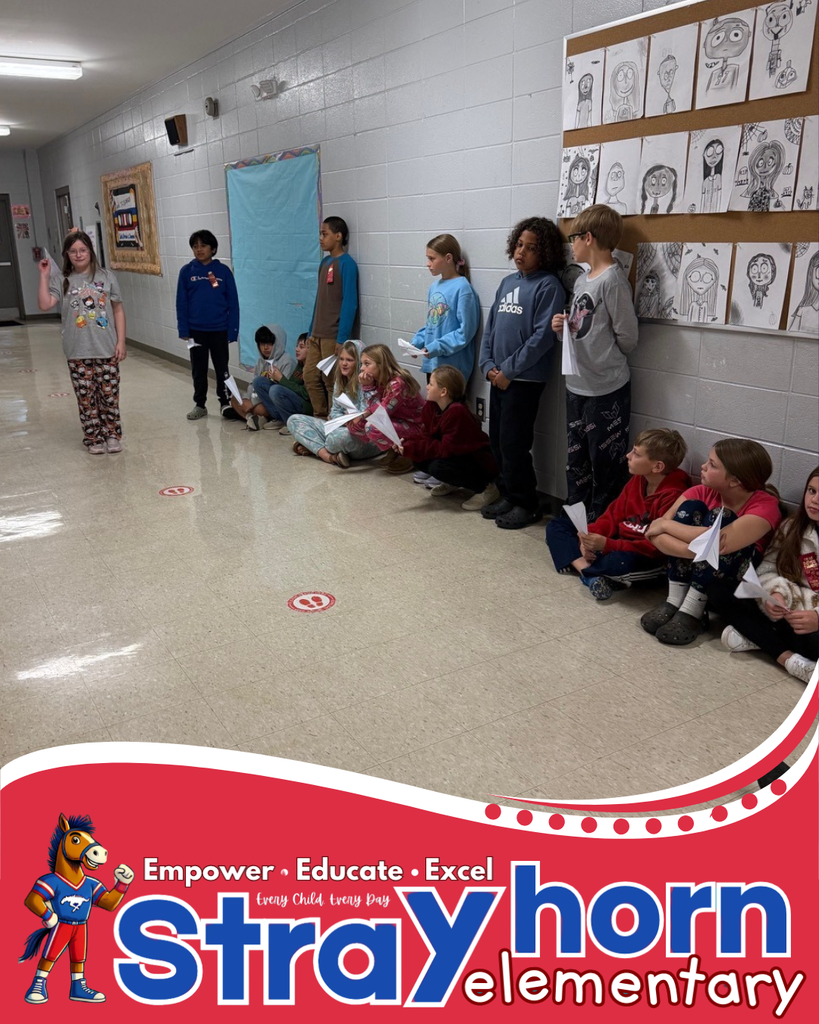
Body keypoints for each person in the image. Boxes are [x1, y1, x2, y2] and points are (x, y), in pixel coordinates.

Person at [641, 438, 783, 646]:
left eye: (712, 465)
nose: (703, 467)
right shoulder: (699, 492)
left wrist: (666, 527)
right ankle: (675, 600)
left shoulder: (766, 505)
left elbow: (720, 544)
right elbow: (655, 534)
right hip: (694, 564)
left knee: (722, 517)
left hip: (734, 581)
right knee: (690, 508)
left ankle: (693, 610)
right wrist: (697, 550)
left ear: (735, 480)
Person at [552, 204, 638, 523]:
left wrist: (601, 353)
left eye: (573, 238)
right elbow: (578, 331)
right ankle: (577, 524)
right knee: (577, 461)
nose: (570, 245)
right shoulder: (583, 279)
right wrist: (563, 329)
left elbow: (628, 338)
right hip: (577, 384)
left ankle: (601, 529)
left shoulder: (613, 281)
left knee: (605, 465)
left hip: (606, 388)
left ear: (588, 238)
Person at [478, 217, 566, 529]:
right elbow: (491, 329)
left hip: (524, 379)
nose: (521, 252)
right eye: (519, 245)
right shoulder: (507, 283)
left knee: (515, 442)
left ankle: (527, 503)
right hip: (498, 376)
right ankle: (508, 494)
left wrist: (509, 371)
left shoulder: (549, 286)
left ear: (545, 253)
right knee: (498, 440)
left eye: (531, 248)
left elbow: (542, 338)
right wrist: (488, 365)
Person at [546, 428, 690, 600]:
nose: (628, 456)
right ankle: (589, 572)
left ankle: (588, 569)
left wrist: (607, 545)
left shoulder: (674, 496)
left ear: (657, 466)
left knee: (617, 561)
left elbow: (654, 548)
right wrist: (587, 538)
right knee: (557, 525)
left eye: (636, 454)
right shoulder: (639, 479)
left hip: (641, 556)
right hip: (617, 542)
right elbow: (612, 515)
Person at [709, 466, 817, 685]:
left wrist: (817, 618)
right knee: (719, 591)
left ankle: (761, 638)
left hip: (812, 620)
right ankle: (788, 658)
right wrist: (775, 594)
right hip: (788, 609)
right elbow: (767, 568)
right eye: (812, 491)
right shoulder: (792, 526)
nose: (814, 500)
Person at [37, 230, 127, 454]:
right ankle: (93, 438)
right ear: (67, 254)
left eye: (83, 250)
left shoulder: (106, 277)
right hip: (77, 350)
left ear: (90, 251)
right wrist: (44, 276)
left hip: (106, 347)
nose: (78, 255)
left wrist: (121, 342)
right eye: (73, 251)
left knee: (109, 395)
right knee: (86, 398)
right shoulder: (62, 280)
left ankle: (112, 435)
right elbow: (45, 304)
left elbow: (118, 310)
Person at [409, 233, 480, 490]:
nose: (427, 264)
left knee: (450, 421)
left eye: (431, 258)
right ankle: (437, 466)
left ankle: (448, 471)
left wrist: (435, 346)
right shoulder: (434, 287)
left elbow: (465, 331)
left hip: (452, 367)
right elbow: (432, 325)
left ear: (448, 258)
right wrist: (417, 341)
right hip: (433, 363)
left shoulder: (463, 289)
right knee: (433, 418)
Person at [401, 366, 499, 510]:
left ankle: (487, 488)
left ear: (444, 391)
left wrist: (414, 447)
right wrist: (407, 443)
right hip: (456, 456)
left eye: (431, 384)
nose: (427, 387)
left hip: (479, 462)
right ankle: (452, 482)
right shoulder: (431, 407)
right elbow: (426, 436)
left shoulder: (457, 412)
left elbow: (446, 449)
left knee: (438, 466)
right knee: (418, 459)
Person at [176, 229, 239, 421]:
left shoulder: (223, 272)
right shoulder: (187, 272)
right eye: (195, 246)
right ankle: (200, 404)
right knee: (199, 369)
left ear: (213, 248)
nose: (199, 249)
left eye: (203, 245)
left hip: (219, 329)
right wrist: (183, 329)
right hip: (196, 332)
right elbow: (181, 303)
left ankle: (225, 402)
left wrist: (233, 330)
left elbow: (233, 302)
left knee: (222, 369)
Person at [289, 341, 380, 467]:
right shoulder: (340, 380)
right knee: (294, 420)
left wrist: (352, 417)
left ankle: (313, 446)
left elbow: (367, 417)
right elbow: (334, 412)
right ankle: (329, 457)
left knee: (335, 439)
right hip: (342, 427)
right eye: (341, 359)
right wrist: (343, 419)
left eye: (349, 360)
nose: (343, 363)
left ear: (359, 362)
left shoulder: (367, 383)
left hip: (364, 436)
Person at [303, 217, 358, 419]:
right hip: (317, 334)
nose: (320, 238)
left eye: (324, 234)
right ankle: (319, 416)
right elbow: (319, 299)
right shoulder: (324, 262)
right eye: (320, 233)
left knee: (330, 381)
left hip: (332, 335)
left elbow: (350, 302)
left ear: (338, 236)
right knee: (310, 376)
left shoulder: (348, 264)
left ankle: (333, 421)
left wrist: (341, 338)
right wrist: (310, 331)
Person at [347, 344, 425, 474]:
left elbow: (380, 414)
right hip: (396, 420)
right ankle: (393, 449)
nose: (361, 368)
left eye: (367, 364)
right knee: (354, 424)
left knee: (371, 426)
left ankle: (409, 453)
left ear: (381, 364)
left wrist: (367, 388)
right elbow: (373, 408)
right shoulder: (379, 380)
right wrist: (358, 417)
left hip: (416, 427)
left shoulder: (397, 384)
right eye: (362, 364)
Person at [250, 330, 311, 431]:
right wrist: (277, 379)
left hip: (305, 406)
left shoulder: (311, 369)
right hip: (293, 399)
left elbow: (305, 394)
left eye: (301, 347)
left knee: (275, 390)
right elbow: (291, 385)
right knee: (259, 382)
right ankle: (280, 418)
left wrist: (281, 379)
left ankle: (292, 424)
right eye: (296, 346)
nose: (296, 349)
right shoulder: (300, 365)